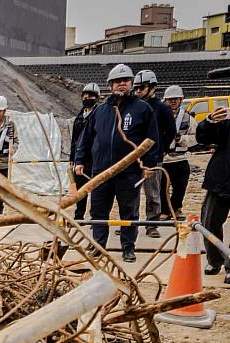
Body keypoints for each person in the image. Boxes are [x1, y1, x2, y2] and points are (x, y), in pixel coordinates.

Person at [75, 64, 160, 263]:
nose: (121, 84)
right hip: (101, 172)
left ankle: (128, 248)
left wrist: (149, 164)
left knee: (129, 212)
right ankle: (98, 246)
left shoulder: (142, 109)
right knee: (98, 211)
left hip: (129, 172)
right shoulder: (101, 111)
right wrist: (80, 160)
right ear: (110, 85)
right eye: (117, 81)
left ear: (131, 83)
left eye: (125, 81)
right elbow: (86, 138)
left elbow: (153, 138)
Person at [133, 70, 176, 238]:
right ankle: (130, 223)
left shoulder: (162, 108)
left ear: (152, 88)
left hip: (153, 158)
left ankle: (152, 225)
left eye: (142, 88)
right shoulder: (133, 106)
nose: (138, 91)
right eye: (136, 88)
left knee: (153, 193)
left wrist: (161, 149)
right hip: (133, 158)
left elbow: (170, 131)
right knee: (130, 193)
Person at [196, 105, 230, 283]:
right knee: (209, 222)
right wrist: (209, 121)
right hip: (221, 179)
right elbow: (204, 138)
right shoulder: (227, 121)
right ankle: (215, 260)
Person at [162, 85, 196, 221]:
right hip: (164, 159)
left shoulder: (188, 119)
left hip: (180, 159)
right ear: (165, 100)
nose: (173, 101)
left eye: (176, 99)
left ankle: (176, 209)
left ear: (181, 100)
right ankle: (164, 211)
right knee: (162, 188)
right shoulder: (159, 116)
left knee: (180, 188)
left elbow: (196, 138)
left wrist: (181, 139)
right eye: (170, 99)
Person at [68, 83, 101, 220]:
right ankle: (79, 216)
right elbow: (74, 139)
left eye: (91, 96)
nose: (87, 98)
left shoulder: (99, 115)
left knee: (96, 189)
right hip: (81, 159)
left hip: (95, 158)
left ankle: (96, 218)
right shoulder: (79, 117)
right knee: (81, 189)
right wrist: (73, 157)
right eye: (85, 95)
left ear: (97, 98)